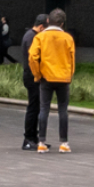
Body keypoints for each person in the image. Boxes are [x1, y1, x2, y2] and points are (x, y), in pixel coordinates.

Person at [30, 9, 77, 153]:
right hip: (63, 77)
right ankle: (64, 143)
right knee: (63, 110)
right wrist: (69, 75)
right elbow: (72, 59)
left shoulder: (40, 37)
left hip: (46, 77)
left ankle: (41, 142)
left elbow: (32, 56)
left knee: (44, 109)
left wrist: (37, 74)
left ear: (48, 21)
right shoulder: (67, 38)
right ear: (62, 23)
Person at [17, 13, 47, 150]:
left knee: (36, 107)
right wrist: (38, 75)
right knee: (33, 107)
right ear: (41, 27)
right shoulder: (32, 37)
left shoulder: (31, 35)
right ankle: (28, 139)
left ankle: (34, 138)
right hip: (32, 76)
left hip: (32, 76)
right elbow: (33, 59)